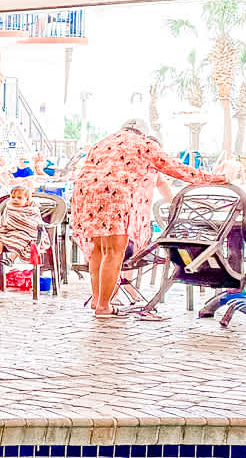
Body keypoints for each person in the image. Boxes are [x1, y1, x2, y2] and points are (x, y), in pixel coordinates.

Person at [71, 119, 224, 320]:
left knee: (98, 250)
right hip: (115, 197)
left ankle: (97, 299)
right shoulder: (144, 144)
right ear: (142, 133)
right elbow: (175, 167)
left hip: (87, 196)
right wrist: (211, 178)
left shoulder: (103, 142)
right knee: (114, 251)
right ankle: (103, 306)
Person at [0, 183, 43, 269]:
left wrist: (22, 227)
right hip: (9, 231)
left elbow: (33, 222)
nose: (15, 200)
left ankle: (10, 259)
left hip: (25, 233)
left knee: (19, 242)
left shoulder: (32, 210)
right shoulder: (9, 208)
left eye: (19, 198)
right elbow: (4, 220)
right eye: (13, 197)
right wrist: (4, 228)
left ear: (27, 200)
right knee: (0, 240)